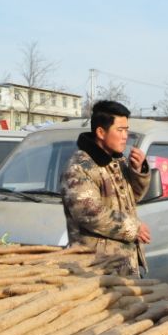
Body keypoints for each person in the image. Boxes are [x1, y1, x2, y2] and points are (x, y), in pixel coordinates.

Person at [61, 100, 151, 276]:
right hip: (97, 268)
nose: (125, 136)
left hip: (124, 264)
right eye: (120, 130)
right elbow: (90, 213)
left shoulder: (118, 161)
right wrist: (134, 227)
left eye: (126, 130)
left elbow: (132, 198)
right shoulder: (79, 167)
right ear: (101, 132)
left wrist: (138, 170)